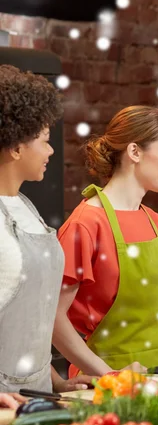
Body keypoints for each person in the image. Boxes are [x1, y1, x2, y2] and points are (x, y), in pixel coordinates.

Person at [53, 105, 158, 377]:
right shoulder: (85, 225)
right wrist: (108, 376)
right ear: (134, 152)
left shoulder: (155, 223)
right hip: (110, 389)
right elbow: (53, 320)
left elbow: (155, 318)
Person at [0, 65, 92, 394]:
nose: (51, 151)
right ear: (15, 147)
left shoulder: (25, 208)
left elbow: (30, 325)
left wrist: (58, 383)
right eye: (45, 141)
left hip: (37, 397)